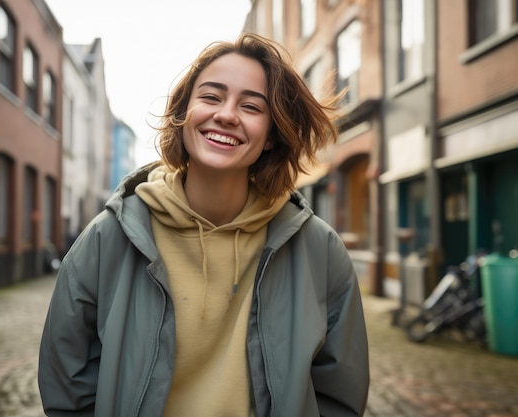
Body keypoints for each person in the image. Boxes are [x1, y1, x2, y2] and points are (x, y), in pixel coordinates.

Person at [38, 32, 369, 417]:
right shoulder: (108, 237)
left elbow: (340, 391)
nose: (226, 114)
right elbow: (68, 381)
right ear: (183, 115)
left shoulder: (318, 249)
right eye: (211, 97)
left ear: (270, 138)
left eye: (251, 106)